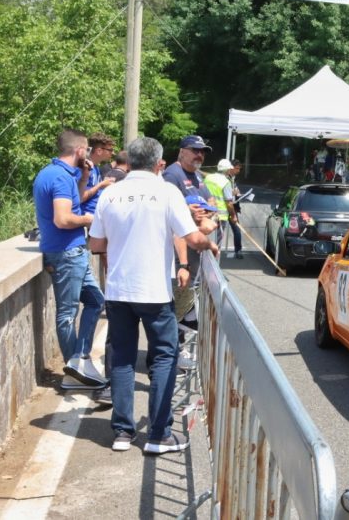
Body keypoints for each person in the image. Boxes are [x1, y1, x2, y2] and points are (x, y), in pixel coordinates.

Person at [88, 137, 218, 454]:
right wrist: (210, 233)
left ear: (130, 161)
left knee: (122, 358)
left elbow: (95, 245)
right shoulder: (166, 192)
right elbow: (192, 237)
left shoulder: (110, 193)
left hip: (118, 290)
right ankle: (158, 435)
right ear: (159, 163)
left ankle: (122, 432)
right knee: (163, 358)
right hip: (154, 291)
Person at [33, 129, 107, 388]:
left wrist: (85, 175)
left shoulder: (57, 173)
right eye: (86, 150)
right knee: (67, 313)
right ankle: (73, 370)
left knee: (96, 300)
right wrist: (92, 219)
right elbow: (63, 219)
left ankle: (78, 360)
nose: (88, 154)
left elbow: (74, 200)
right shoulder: (60, 178)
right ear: (79, 150)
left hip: (72, 250)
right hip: (65, 252)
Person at [162, 135, 217, 330]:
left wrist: (206, 216)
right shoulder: (172, 175)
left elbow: (211, 201)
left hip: (194, 253)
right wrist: (196, 220)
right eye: (195, 150)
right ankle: (173, 354)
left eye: (202, 151)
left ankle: (180, 351)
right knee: (178, 308)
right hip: (180, 256)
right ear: (182, 151)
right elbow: (168, 213)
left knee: (190, 307)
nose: (199, 155)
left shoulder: (197, 175)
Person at [80, 133, 117, 215]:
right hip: (86, 219)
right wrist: (101, 185)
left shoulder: (95, 167)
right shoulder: (85, 167)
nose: (113, 153)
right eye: (110, 150)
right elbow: (80, 197)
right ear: (99, 151)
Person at [204, 159, 237, 249]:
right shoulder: (225, 182)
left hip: (206, 214)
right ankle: (214, 262)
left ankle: (205, 262)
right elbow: (229, 203)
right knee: (216, 244)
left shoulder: (208, 178)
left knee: (206, 241)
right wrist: (233, 216)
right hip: (220, 218)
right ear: (227, 170)